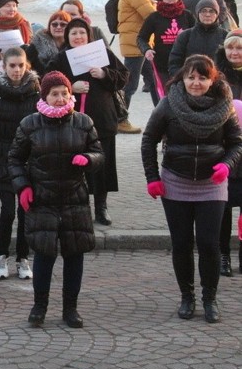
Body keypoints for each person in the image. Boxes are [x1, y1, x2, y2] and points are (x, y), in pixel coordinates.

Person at [141, 54, 242, 323]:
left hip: (212, 184)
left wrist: (226, 165)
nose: (196, 82)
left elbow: (236, 143)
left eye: (202, 77)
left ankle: (210, 298)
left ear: (212, 79)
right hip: (176, 181)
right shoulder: (168, 104)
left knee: (209, 244)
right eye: (191, 77)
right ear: (182, 78)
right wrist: (152, 177)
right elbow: (148, 140)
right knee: (182, 243)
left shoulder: (225, 105)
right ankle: (187, 297)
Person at [9, 71, 104, 328]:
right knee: (44, 255)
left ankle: (70, 308)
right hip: (43, 199)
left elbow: (98, 153)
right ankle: (39, 306)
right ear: (45, 96)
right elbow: (15, 159)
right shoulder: (30, 124)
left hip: (75, 199)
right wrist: (23, 186)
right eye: (54, 94)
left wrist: (89, 159)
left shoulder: (83, 122)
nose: (60, 99)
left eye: (64, 93)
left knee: (75, 255)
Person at [49, 18, 128, 227]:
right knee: (72, 165)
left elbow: (123, 76)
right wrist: (70, 87)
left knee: (102, 164)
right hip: (70, 121)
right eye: (73, 33)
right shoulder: (60, 59)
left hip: (102, 119)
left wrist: (104, 74)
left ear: (88, 35)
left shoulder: (101, 53)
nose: (78, 37)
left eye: (82, 33)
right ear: (68, 37)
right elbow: (47, 82)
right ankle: (75, 207)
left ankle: (101, 207)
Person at [0, 47, 40, 280]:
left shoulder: (36, 92)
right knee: (7, 210)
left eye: (20, 65)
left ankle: (23, 259)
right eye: (12, 65)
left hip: (29, 159)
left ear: (27, 66)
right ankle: (1, 256)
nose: (16, 70)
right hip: (3, 158)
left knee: (26, 210)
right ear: (4, 67)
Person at [137, 0, 196, 106]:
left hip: (184, 66)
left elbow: (197, 35)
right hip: (161, 65)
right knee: (162, 101)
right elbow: (141, 38)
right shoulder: (154, 17)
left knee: (184, 101)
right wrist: (146, 49)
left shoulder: (187, 16)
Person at [116, 0, 156, 133]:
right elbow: (150, 14)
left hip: (141, 42)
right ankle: (120, 119)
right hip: (136, 43)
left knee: (154, 81)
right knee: (130, 85)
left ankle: (164, 117)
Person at [216, 31, 242, 277]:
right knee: (223, 209)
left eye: (239, 48)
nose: (234, 53)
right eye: (230, 48)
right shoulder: (217, 76)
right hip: (225, 151)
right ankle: (223, 255)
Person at [169, 0, 228, 77]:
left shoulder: (226, 36)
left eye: (211, 11)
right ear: (198, 13)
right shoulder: (185, 36)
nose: (207, 15)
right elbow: (174, 62)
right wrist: (184, 78)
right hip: (191, 83)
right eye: (203, 11)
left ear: (217, 14)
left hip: (218, 82)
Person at [26, 11, 71, 76]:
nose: (58, 27)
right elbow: (25, 64)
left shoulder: (72, 45)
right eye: (54, 24)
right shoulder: (37, 43)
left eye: (63, 24)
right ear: (49, 26)